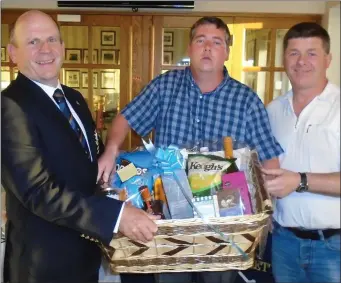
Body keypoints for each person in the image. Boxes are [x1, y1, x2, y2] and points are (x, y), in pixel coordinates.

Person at [98, 16, 283, 283]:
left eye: (216, 42)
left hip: (223, 228)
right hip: (169, 226)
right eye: (201, 40)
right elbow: (125, 117)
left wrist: (262, 216)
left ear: (227, 51)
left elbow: (269, 160)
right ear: (190, 48)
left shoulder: (246, 101)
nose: (207, 47)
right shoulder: (165, 86)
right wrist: (111, 149)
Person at [1, 10, 158, 283]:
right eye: (33, 42)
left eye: (52, 39)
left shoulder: (73, 98)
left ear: (63, 47)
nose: (46, 49)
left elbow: (90, 164)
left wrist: (135, 173)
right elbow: (39, 192)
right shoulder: (11, 106)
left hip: (85, 253)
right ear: (13, 53)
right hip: (44, 265)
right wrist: (118, 216)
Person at [263, 22, 340, 283]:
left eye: (312, 53)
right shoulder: (272, 111)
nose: (302, 61)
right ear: (284, 58)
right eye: (294, 52)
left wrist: (299, 181)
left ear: (328, 59)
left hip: (333, 247)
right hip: (283, 242)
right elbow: (266, 167)